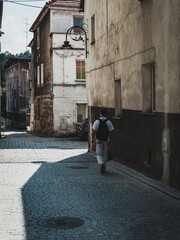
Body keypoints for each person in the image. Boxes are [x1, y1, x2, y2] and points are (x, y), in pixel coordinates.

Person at [92, 108, 114, 174]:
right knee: (105, 154)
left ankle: (101, 163)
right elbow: (111, 132)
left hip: (99, 140)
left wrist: (92, 139)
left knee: (98, 154)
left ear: (100, 114)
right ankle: (104, 166)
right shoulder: (109, 122)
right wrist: (111, 141)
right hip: (106, 140)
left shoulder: (97, 121)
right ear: (106, 114)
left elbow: (93, 132)